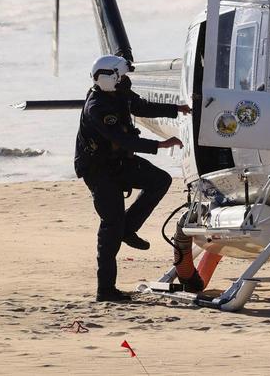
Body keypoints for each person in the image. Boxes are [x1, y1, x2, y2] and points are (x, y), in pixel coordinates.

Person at [74, 54, 190, 303]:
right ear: (110, 79)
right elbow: (124, 140)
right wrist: (161, 144)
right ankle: (105, 290)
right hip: (99, 171)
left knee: (160, 180)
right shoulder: (98, 108)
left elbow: (141, 107)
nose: (126, 80)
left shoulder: (119, 94)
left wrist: (177, 109)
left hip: (119, 163)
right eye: (122, 76)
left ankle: (129, 229)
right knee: (111, 225)